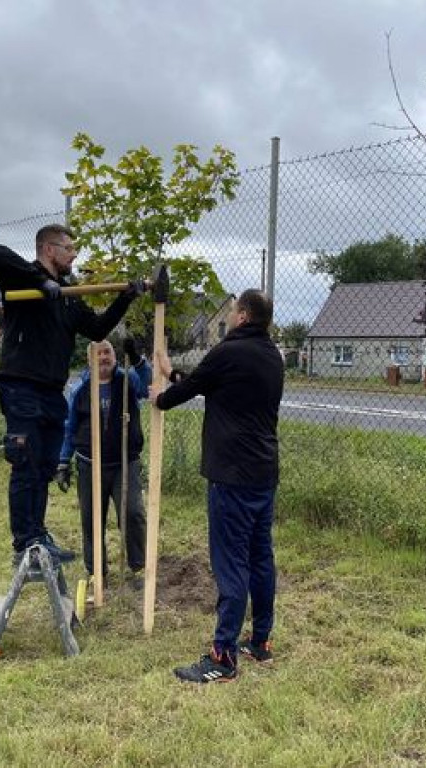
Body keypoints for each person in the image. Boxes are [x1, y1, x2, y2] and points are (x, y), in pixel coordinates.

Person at [0, 224, 143, 566]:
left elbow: (98, 329)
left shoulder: (68, 297)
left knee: (43, 468)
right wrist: (42, 283)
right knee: (25, 465)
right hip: (21, 387)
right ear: (49, 250)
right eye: (69, 248)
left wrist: (126, 297)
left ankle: (38, 535)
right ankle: (24, 540)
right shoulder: (22, 280)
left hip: (52, 393)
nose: (74, 255)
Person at [151, 289, 284, 683]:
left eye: (230, 314)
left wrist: (160, 397)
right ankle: (260, 641)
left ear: (242, 315)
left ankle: (223, 657)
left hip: (231, 476)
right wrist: (174, 372)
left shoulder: (229, 351)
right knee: (260, 558)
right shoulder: (271, 356)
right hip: (263, 473)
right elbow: (209, 383)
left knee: (231, 565)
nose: (227, 321)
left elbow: (184, 393)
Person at [56, 338, 150, 582]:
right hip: (90, 463)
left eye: (107, 352)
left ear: (115, 356)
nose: (103, 357)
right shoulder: (80, 390)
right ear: (90, 359)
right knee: (91, 518)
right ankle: (96, 572)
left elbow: (148, 383)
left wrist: (138, 359)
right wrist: (63, 462)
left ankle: (138, 567)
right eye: (97, 354)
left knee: (132, 513)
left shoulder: (128, 380)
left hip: (124, 463)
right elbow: (69, 427)